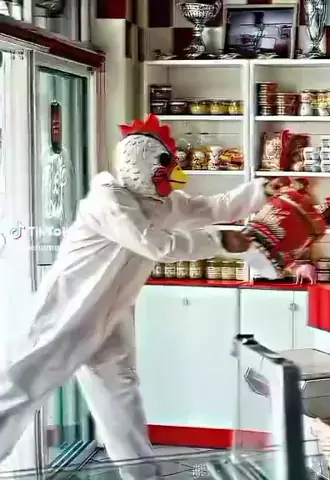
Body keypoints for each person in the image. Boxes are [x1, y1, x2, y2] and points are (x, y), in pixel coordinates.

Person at [0, 114, 282, 479]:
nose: (174, 170)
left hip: (110, 315)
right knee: (22, 387)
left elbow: (209, 207)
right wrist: (220, 240)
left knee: (120, 400)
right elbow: (156, 244)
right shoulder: (109, 201)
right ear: (141, 164)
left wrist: (260, 191)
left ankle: (142, 475)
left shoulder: (158, 202)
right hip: (67, 312)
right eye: (165, 162)